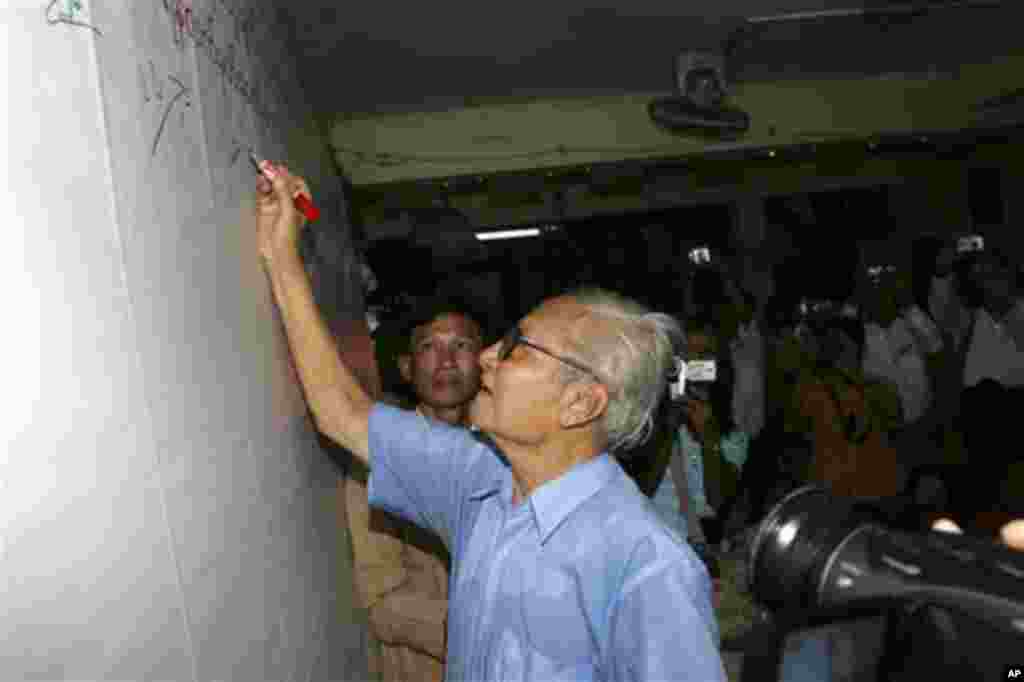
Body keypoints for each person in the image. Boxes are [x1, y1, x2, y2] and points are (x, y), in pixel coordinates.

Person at [254, 165, 725, 681]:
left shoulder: (646, 569)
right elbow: (343, 413)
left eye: (519, 349)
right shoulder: (479, 483)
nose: (486, 358)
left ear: (579, 403)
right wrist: (281, 256)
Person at [345, 298, 485, 682]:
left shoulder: (509, 455)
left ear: (485, 362)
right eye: (429, 347)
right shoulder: (376, 458)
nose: (446, 361)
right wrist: (492, 633)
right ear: (407, 368)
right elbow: (384, 604)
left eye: (461, 346)